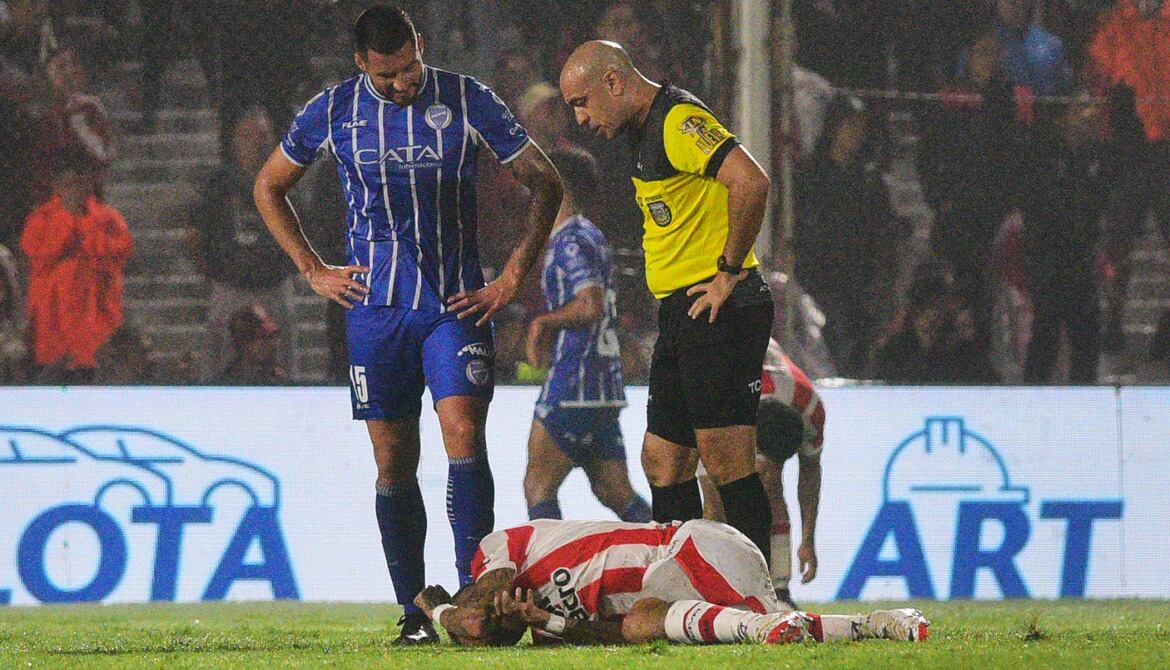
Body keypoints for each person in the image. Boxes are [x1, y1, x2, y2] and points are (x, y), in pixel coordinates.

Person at [252, 5, 563, 645]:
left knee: (461, 435)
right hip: (375, 311)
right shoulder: (333, 110)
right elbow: (269, 185)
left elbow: (545, 182)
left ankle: (477, 596)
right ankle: (415, 611)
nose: (403, 83)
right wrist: (311, 268)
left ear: (421, 45)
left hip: (454, 307)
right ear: (362, 64)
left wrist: (511, 277)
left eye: (410, 66)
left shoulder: (467, 98)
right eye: (388, 75)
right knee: (394, 460)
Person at [559, 41, 775, 567]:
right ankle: (684, 585)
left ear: (614, 81)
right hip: (684, 312)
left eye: (583, 102)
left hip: (720, 307)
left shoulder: (677, 120)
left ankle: (760, 595)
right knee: (662, 463)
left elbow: (751, 180)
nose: (582, 118)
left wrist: (727, 273)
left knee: (727, 461)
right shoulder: (641, 133)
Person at [413, 518, 929, 646]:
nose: (494, 613)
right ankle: (877, 625)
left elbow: (475, 620)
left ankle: (874, 622)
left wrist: (435, 611)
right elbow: (620, 635)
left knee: (767, 620)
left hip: (692, 545)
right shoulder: (546, 630)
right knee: (644, 622)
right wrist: (546, 619)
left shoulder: (497, 549)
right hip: (679, 587)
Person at [523, 147, 650, 524]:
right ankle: (670, 557)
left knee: (537, 486)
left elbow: (590, 303)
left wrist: (542, 323)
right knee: (614, 492)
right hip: (603, 388)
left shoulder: (570, 241)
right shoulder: (589, 233)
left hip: (573, 386)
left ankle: (551, 577)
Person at [698, 339, 823, 609]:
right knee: (717, 499)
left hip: (758, 379)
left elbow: (810, 471)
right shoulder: (722, 403)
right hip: (713, 384)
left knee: (771, 489)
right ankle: (714, 589)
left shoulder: (811, 410)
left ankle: (780, 592)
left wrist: (808, 540)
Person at [188, 108, 297, 380]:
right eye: (248, 135)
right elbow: (196, 233)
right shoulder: (219, 183)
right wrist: (211, 273)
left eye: (262, 135)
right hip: (231, 287)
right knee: (220, 361)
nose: (255, 142)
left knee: (282, 363)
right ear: (236, 140)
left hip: (272, 286)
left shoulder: (286, 179)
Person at [1088, 0, 1170, 354]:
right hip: (1129, 153)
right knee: (1117, 243)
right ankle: (1112, 318)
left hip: (1166, 150)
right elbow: (1099, 83)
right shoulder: (1113, 27)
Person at [21, 147, 131, 383]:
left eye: (80, 183)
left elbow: (116, 256)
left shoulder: (109, 221)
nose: (76, 190)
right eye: (69, 184)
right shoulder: (39, 221)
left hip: (97, 337)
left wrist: (84, 223)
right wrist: (68, 218)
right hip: (53, 338)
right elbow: (42, 257)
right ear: (56, 186)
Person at [213, 303, 289, 385]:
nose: (274, 344)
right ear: (244, 342)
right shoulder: (223, 385)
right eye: (265, 337)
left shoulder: (280, 381)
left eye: (274, 336)